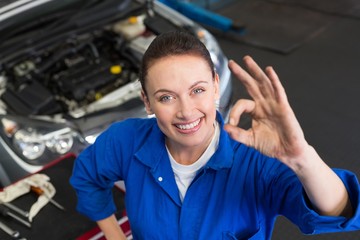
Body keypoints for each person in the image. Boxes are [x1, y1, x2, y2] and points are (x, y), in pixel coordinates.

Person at [70, 31, 360, 240]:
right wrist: (114, 235)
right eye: (167, 97)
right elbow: (87, 175)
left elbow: (339, 212)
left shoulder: (258, 163)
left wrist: (301, 158)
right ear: (147, 102)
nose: (186, 111)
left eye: (198, 90)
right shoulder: (125, 141)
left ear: (216, 85)